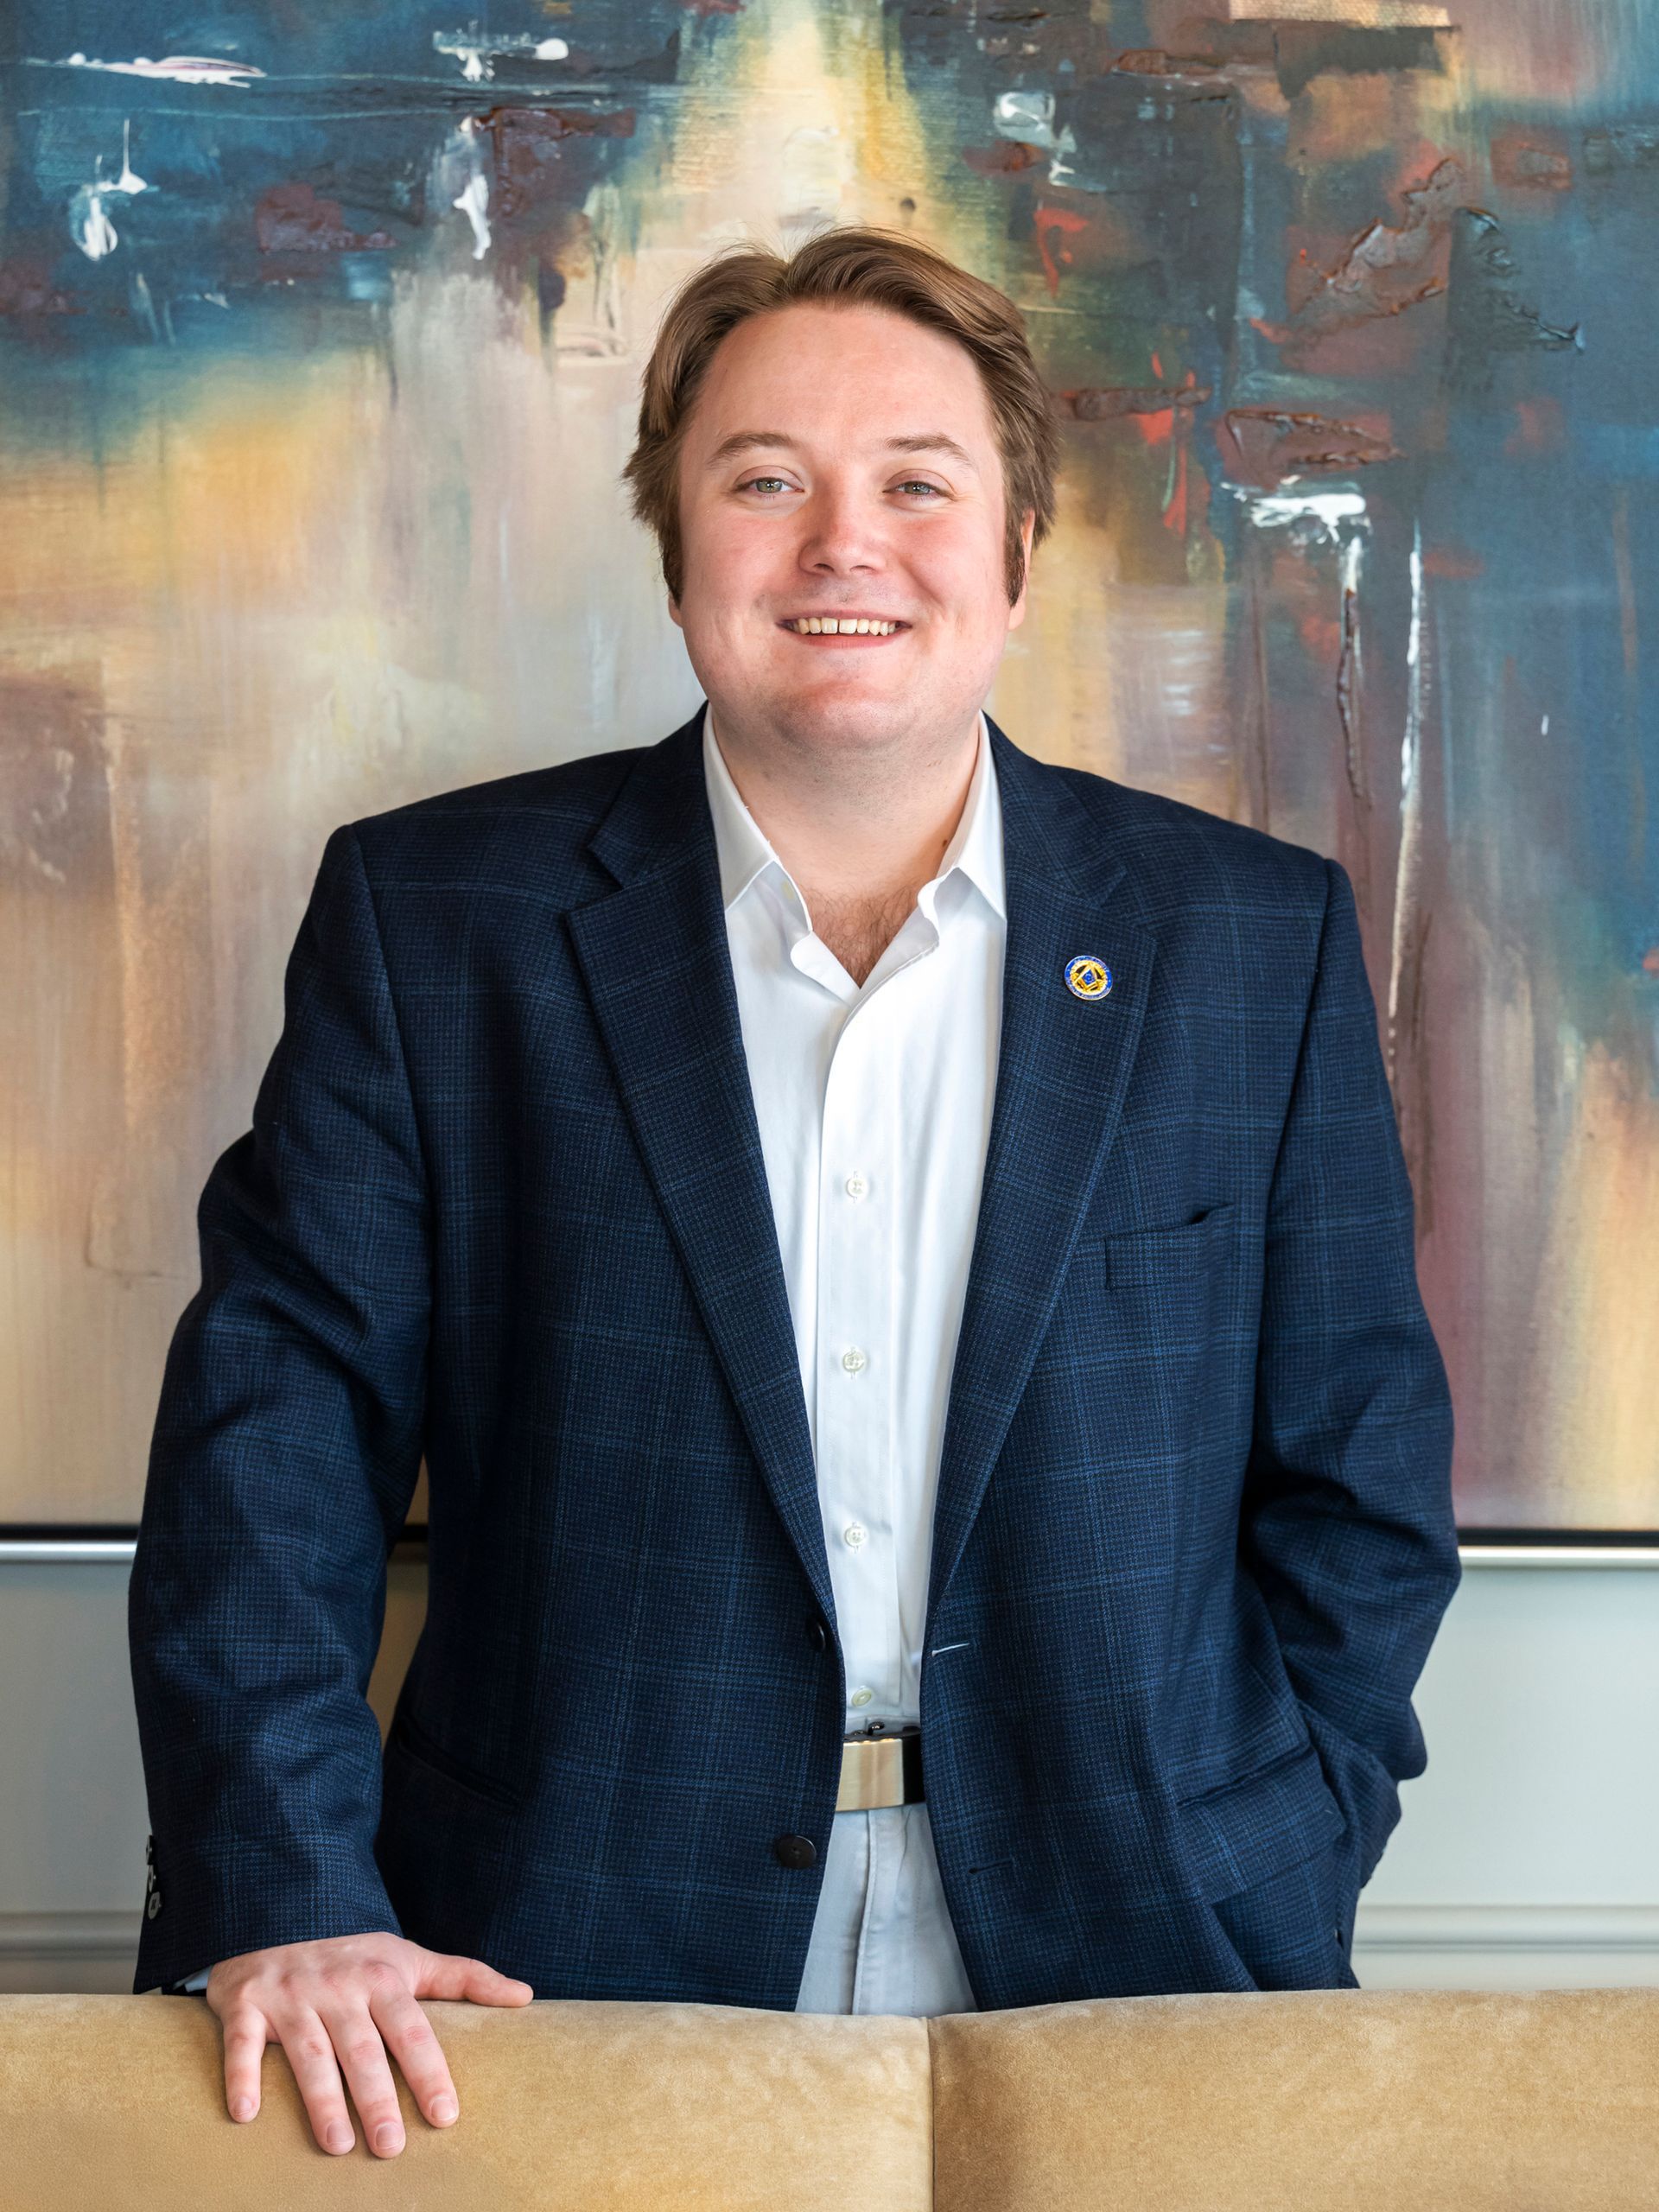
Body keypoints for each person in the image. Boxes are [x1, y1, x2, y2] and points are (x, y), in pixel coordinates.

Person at [129, 225, 1460, 2160]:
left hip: (1149, 1950)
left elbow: (1361, 1477)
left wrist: (1283, 1844)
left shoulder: (1253, 942)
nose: (848, 543)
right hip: (545, 1962)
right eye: (766, 480)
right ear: (679, 546)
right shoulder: (436, 925)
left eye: (920, 482)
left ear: (1015, 552)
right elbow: (273, 1449)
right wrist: (292, 1884)